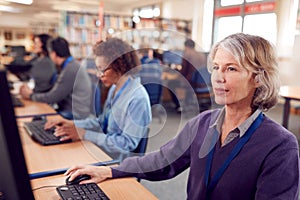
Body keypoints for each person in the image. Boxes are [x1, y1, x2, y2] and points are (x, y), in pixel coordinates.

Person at [64, 33, 300, 200]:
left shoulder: (280, 146)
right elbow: (161, 160)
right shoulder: (202, 124)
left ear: (258, 78)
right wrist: (110, 171)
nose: (218, 77)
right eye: (216, 67)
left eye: (231, 69)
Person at [45, 38, 152, 160]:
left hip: (118, 162)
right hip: (104, 151)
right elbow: (102, 122)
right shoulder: (114, 88)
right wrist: (72, 124)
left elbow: (126, 144)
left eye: (102, 69)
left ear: (119, 66)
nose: (98, 74)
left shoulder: (137, 98)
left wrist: (85, 134)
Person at [19, 36, 92, 120]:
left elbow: (53, 97)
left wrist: (30, 95)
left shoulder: (71, 69)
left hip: (73, 114)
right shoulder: (71, 65)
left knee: (39, 120)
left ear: (53, 54)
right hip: (69, 110)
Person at [168, 39, 207, 113]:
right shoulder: (202, 55)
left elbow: (183, 71)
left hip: (191, 83)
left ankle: (179, 105)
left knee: (171, 84)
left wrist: (175, 74)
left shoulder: (187, 54)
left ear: (186, 46)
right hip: (202, 83)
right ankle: (188, 102)